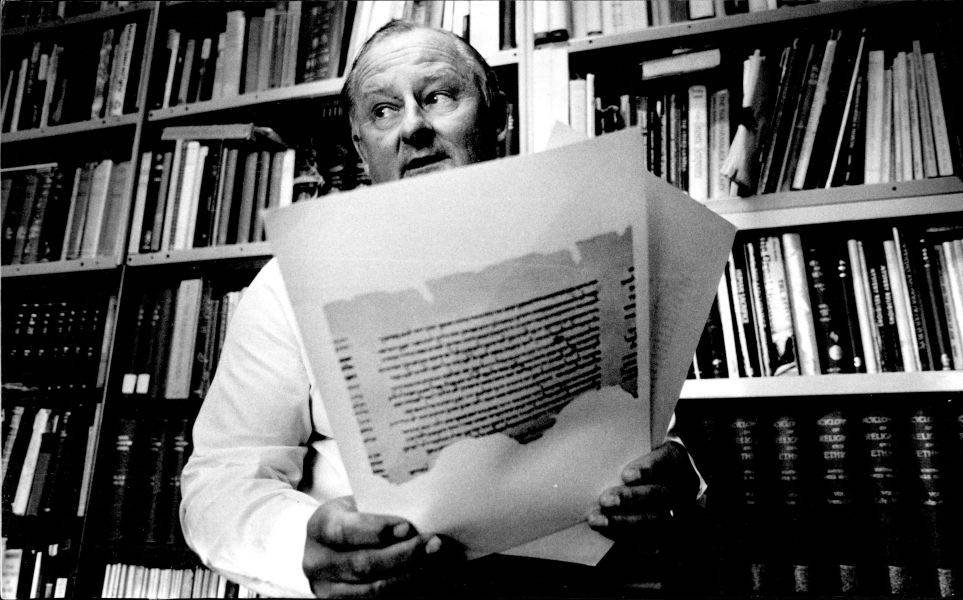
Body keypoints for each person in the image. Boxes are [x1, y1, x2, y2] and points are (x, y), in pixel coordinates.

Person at [180, 20, 702, 599]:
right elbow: (221, 479)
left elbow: (650, 441)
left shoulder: (595, 247)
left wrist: (679, 480)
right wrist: (299, 542)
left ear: (497, 116)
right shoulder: (286, 285)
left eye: (437, 96)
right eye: (382, 111)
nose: (413, 127)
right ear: (360, 147)